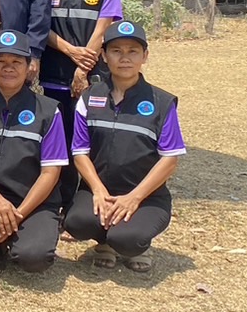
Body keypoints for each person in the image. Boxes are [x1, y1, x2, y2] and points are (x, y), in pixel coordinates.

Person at [65, 20, 185, 273]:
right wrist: (97, 189)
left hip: (146, 196)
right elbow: (80, 151)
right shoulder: (89, 97)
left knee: (128, 239)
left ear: (145, 56)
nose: (125, 58)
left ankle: (135, 245)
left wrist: (134, 198)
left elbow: (169, 159)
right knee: (77, 222)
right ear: (104, 56)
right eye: (116, 51)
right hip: (100, 190)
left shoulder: (162, 102)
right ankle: (104, 242)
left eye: (133, 51)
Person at [0, 29, 68, 273]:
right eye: (0, 61)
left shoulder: (48, 111)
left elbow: (50, 173)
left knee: (33, 258)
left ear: (29, 66)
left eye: (17, 62)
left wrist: (17, 214)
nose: (8, 68)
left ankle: (19, 238)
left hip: (35, 202)